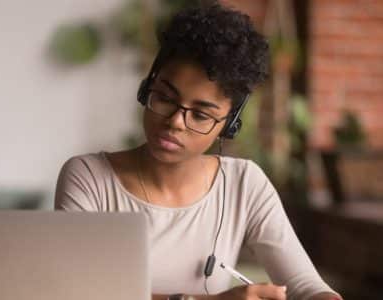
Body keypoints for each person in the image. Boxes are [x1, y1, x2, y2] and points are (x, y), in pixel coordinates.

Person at [54, 3, 343, 300]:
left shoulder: (245, 184)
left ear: (228, 125)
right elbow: (74, 291)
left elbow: (308, 287)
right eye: (165, 98)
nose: (175, 122)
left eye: (201, 115)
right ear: (146, 89)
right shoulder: (89, 178)